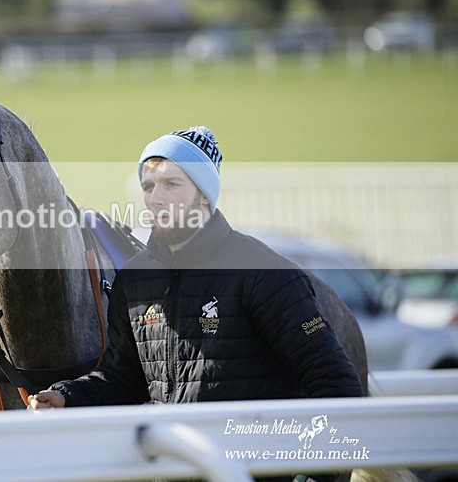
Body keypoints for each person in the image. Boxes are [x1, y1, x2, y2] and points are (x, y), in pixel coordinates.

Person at [28, 127, 363, 482]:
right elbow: (123, 379)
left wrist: (315, 479)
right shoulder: (135, 279)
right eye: (148, 186)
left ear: (204, 196)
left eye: (172, 184)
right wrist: (67, 397)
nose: (155, 198)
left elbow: (336, 384)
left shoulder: (264, 273)